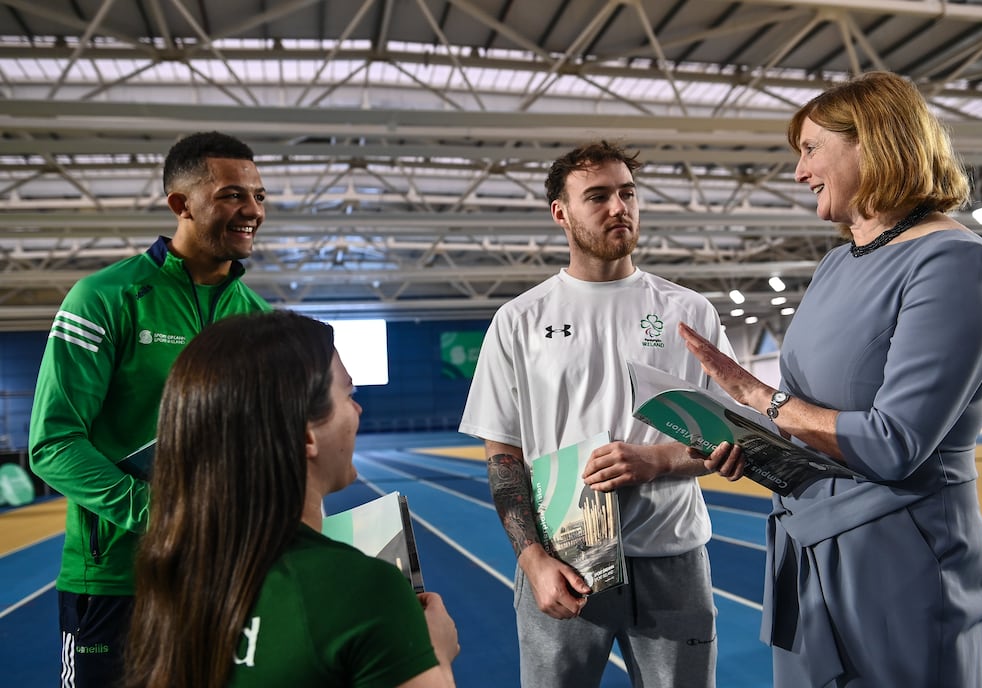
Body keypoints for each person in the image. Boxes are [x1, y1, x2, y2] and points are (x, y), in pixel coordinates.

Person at [677, 71, 982, 688]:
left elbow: (894, 442)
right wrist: (735, 440)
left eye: (809, 149)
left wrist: (761, 397)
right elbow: (807, 417)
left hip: (899, 556)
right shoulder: (836, 263)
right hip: (806, 546)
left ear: (874, 141)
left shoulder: (954, 262)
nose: (799, 172)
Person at [459, 140, 729, 688]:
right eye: (598, 196)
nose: (618, 208)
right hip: (564, 561)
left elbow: (725, 440)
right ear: (561, 212)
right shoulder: (519, 321)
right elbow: (503, 454)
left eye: (627, 193)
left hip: (670, 557)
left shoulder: (688, 312)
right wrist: (532, 559)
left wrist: (656, 459)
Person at [28, 131, 273, 687]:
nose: (252, 211)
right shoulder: (104, 298)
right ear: (181, 205)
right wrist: (161, 514)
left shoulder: (258, 320)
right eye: (233, 195)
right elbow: (53, 444)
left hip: (221, 579)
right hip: (117, 580)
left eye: (259, 196)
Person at [122, 310, 459, 687]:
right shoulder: (363, 587)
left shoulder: (171, 578)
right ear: (306, 437)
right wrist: (438, 655)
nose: (358, 409)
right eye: (349, 393)